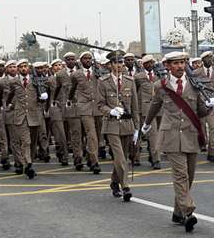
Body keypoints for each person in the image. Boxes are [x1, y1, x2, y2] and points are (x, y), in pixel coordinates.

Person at [142, 51, 214, 232]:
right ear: (167, 66)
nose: (180, 66)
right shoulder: (161, 85)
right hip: (171, 135)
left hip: (191, 134)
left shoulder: (194, 84)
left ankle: (177, 212)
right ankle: (188, 211)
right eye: (175, 63)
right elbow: (154, 106)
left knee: (189, 176)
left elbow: (200, 111)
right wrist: (147, 124)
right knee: (181, 175)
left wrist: (209, 107)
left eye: (182, 62)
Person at [98, 50, 139, 202]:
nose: (119, 65)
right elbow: (100, 104)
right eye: (116, 62)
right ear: (110, 65)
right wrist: (110, 111)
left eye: (121, 62)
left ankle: (114, 182)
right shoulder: (103, 81)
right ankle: (126, 187)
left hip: (127, 124)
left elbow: (135, 107)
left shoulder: (130, 81)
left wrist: (137, 128)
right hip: (112, 125)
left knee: (123, 157)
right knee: (120, 157)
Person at [67, 52, 103, 174]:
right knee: (91, 134)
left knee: (96, 135)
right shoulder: (76, 74)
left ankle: (89, 157)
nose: (88, 60)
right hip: (84, 108)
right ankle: (94, 162)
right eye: (85, 58)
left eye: (89, 58)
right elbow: (72, 89)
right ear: (80, 60)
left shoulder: (98, 72)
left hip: (97, 107)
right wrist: (71, 100)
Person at [133, 54, 161, 169]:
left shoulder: (159, 75)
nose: (150, 65)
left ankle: (155, 158)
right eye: (147, 63)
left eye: (152, 62)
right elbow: (134, 93)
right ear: (143, 65)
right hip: (142, 109)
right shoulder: (138, 77)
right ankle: (135, 157)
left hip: (156, 108)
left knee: (154, 134)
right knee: (139, 134)